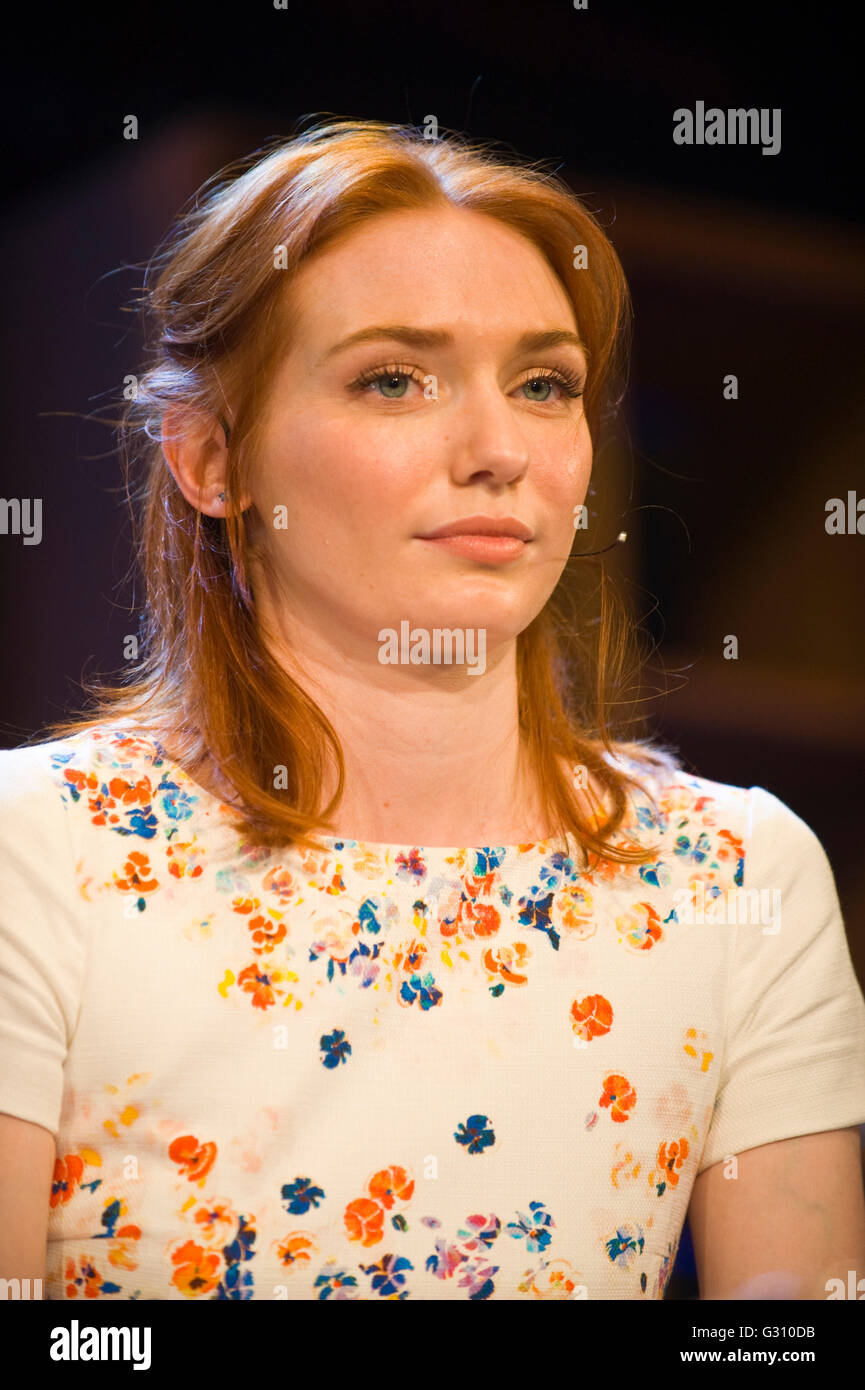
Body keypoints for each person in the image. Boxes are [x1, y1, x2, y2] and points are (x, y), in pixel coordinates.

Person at [1, 118, 864, 1303]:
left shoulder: (735, 874)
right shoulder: (38, 848)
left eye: (542, 384)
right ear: (211, 459)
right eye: (393, 379)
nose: (498, 448)